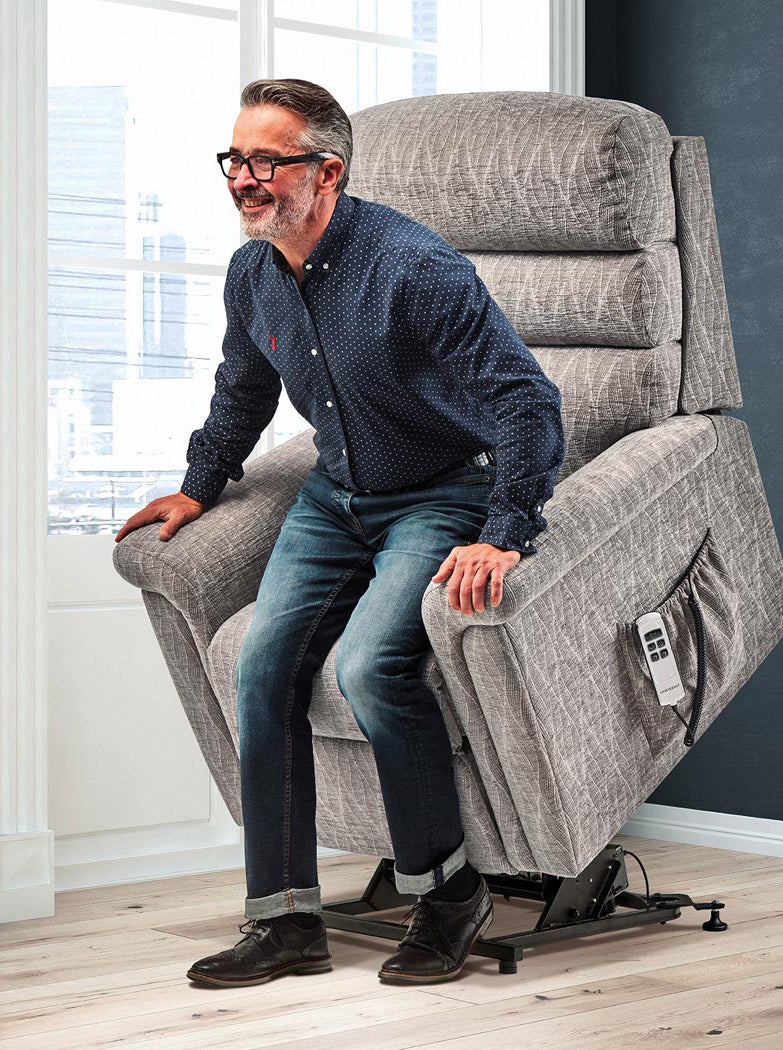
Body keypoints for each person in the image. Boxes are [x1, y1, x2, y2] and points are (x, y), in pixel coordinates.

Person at [114, 78, 565, 986]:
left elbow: (528, 402)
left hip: (439, 496)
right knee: (261, 667)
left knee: (369, 669)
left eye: (267, 161)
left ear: (326, 173)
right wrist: (198, 487)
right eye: (236, 159)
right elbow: (242, 389)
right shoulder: (253, 273)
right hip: (334, 498)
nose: (245, 178)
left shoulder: (414, 268)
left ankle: (446, 897)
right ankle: (285, 924)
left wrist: (505, 531)